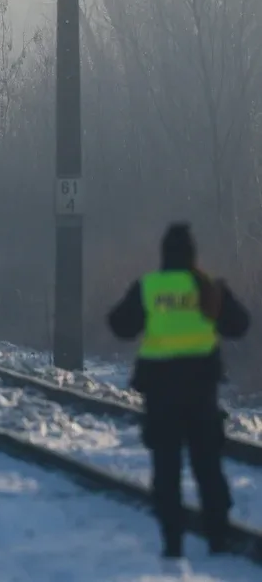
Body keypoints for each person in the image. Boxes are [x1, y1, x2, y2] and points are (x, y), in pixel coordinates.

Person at [107, 222, 249, 559]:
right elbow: (239, 325)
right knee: (208, 467)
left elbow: (120, 325)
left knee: (167, 469)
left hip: (160, 396)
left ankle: (173, 543)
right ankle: (218, 536)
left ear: (163, 255)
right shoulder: (209, 288)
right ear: (192, 254)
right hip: (201, 394)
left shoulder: (149, 287)